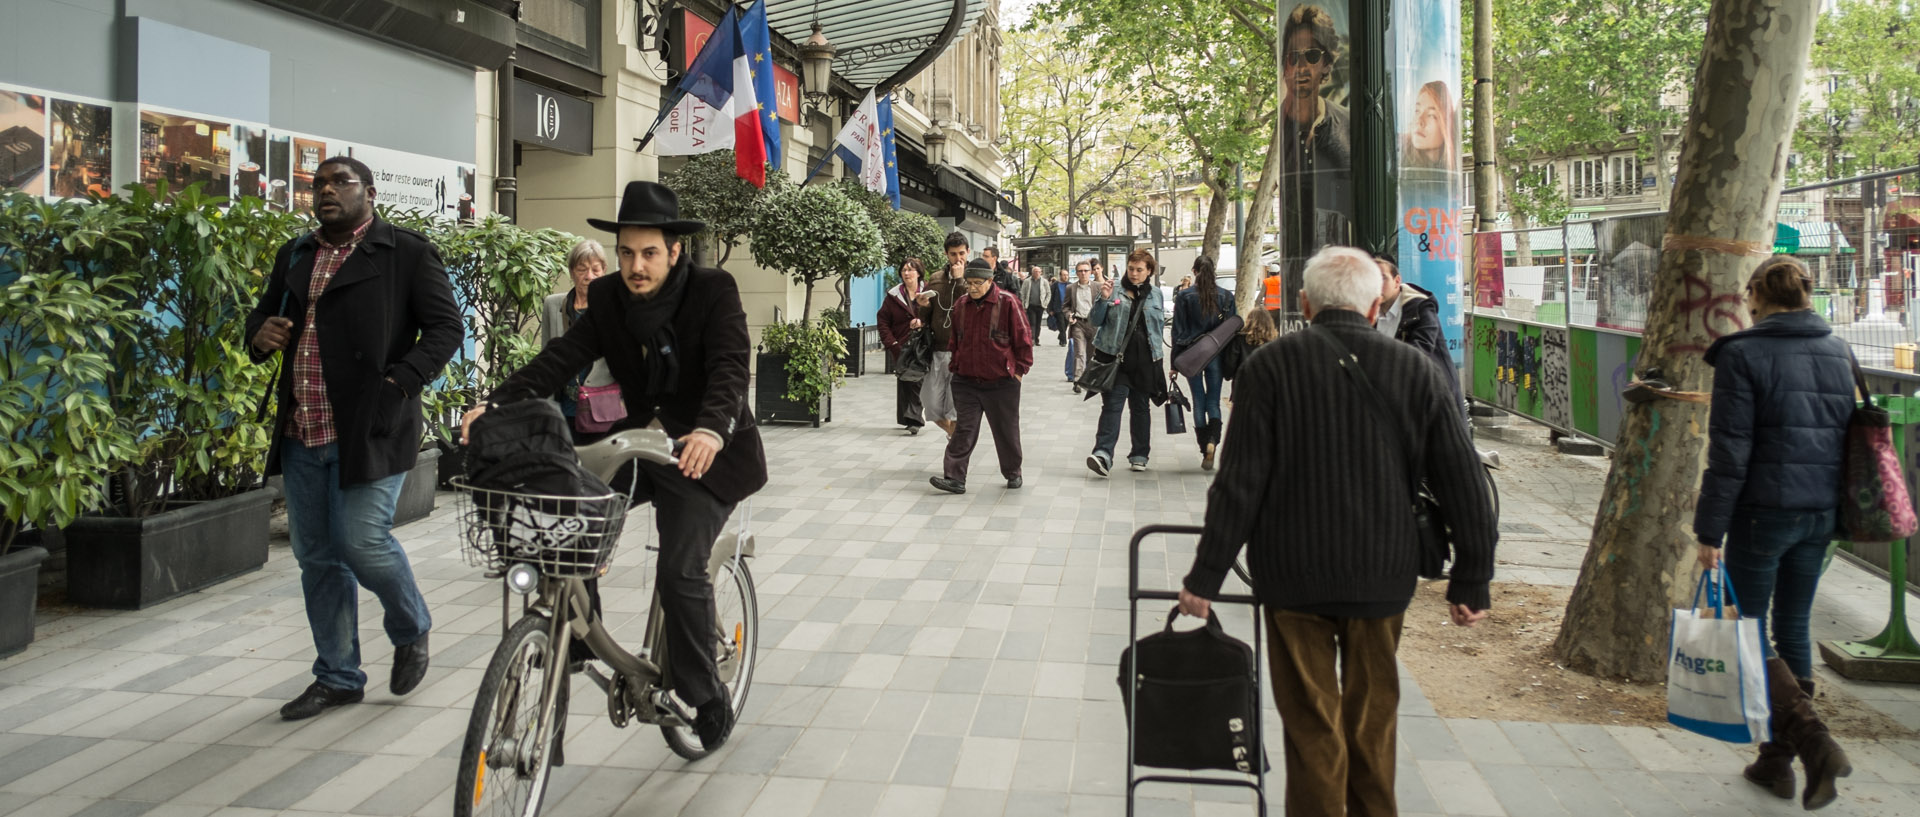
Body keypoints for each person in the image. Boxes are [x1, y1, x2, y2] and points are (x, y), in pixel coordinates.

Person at [1178, 245, 1496, 817]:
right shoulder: (1416, 371)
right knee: (1373, 727)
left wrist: (1205, 577)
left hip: (1292, 579)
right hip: (1383, 576)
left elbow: (1238, 484)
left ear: (1303, 303)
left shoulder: (1269, 369)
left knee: (1312, 730)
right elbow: (1464, 482)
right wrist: (1471, 579)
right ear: (1377, 306)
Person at [459, 181, 768, 752]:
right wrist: (497, 404)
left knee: (679, 571)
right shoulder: (606, 299)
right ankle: (578, 631)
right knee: (566, 518)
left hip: (704, 456)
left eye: (648, 253)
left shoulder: (712, 290)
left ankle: (706, 695)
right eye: (626, 253)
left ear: (674, 250)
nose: (635, 266)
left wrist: (710, 429)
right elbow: (559, 359)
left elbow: (730, 366)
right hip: (635, 446)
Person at [244, 156, 464, 721]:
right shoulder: (295, 254)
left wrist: (398, 382)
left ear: (369, 191)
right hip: (303, 428)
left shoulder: (405, 252)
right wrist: (258, 333)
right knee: (317, 557)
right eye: (317, 183)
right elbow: (265, 319)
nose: (326, 191)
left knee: (362, 542)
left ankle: (411, 625)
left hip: (371, 426)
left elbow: (445, 329)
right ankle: (338, 676)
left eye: (340, 182)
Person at [1693, 256, 1853, 810]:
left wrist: (1709, 530)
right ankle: (1775, 763)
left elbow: (1730, 452)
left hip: (1762, 513)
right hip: (1822, 513)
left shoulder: (1741, 352)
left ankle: (1814, 744)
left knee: (1747, 635)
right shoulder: (1838, 349)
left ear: (1756, 294)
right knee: (1793, 628)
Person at [929, 258, 1033, 494]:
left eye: (978, 282)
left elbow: (1024, 340)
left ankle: (1013, 472)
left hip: (1002, 383)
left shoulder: (1007, 302)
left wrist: (1018, 372)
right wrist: (955, 366)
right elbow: (955, 340)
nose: (972, 287)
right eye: (969, 282)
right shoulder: (961, 305)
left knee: (1005, 430)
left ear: (990, 281)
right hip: (966, 382)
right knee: (964, 430)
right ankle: (955, 478)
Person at [1279, 4, 1354, 267]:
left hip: (1343, 269)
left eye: (1311, 56)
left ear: (1326, 64)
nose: (1300, 67)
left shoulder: (1347, 124)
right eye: (1292, 57)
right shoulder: (1282, 127)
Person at [1085, 250, 1168, 476]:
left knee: (1141, 408)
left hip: (1145, 363)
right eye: (1131, 268)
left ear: (1149, 271)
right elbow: (1095, 320)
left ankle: (1140, 454)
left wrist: (1160, 362)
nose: (1133, 273)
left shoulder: (1156, 295)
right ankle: (1103, 454)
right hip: (1115, 361)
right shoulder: (1113, 290)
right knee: (1112, 407)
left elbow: (1158, 330)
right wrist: (1103, 299)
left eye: (1139, 269)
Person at [543, 239, 616, 444]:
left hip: (602, 408)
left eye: (595, 269)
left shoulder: (614, 309)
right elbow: (547, 357)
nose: (589, 276)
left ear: (604, 271)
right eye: (582, 269)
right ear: (572, 271)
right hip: (564, 406)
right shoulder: (553, 305)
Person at [1375, 256, 1463, 418]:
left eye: (1382, 278)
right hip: (1398, 399)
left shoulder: (1420, 307)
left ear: (1397, 281)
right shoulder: (1371, 313)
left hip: (1433, 396)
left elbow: (1422, 349)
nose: (1376, 285)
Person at [1172, 255, 1238, 471]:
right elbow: (1231, 330)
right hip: (1216, 355)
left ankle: (1203, 447)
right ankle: (1213, 442)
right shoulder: (1226, 296)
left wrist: (1175, 362)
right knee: (1213, 401)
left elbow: (1178, 331)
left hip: (1193, 355)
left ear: (1194, 271)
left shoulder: (1184, 296)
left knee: (1198, 401)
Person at [916, 233, 971, 438]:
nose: (958, 259)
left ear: (968, 252)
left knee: (955, 408)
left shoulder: (974, 277)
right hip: (937, 349)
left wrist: (959, 280)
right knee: (930, 405)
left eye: (962, 253)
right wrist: (923, 307)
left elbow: (969, 305)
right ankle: (956, 438)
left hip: (962, 352)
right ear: (946, 254)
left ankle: (955, 455)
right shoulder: (937, 278)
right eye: (953, 254)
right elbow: (927, 316)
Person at [878, 258, 929, 435]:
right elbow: (883, 320)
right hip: (900, 345)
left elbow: (937, 315)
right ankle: (907, 418)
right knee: (904, 380)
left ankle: (915, 419)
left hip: (922, 345)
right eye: (904, 270)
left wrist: (922, 322)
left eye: (911, 270)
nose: (907, 273)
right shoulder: (893, 296)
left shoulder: (929, 293)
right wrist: (891, 343)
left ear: (919, 273)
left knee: (915, 380)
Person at [1400, 80, 1459, 174]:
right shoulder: (1399, 159)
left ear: (1446, 126)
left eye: (1431, 115)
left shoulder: (1450, 167)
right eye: (1417, 111)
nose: (1419, 121)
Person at [1066, 262, 1097, 389]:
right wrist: (1068, 315)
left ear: (1090, 272)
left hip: (1094, 324)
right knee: (1080, 352)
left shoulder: (1097, 287)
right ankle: (1077, 380)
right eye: (1080, 271)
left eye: (1085, 270)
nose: (1083, 273)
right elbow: (1066, 306)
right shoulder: (1071, 288)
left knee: (1091, 354)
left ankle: (1088, 379)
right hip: (1078, 323)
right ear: (1076, 273)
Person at [1020, 265, 1051, 346]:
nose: (1037, 273)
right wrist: (1023, 305)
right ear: (1032, 273)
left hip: (1040, 306)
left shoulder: (1044, 282)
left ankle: (1036, 338)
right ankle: (1032, 338)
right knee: (1032, 323)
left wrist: (1045, 303)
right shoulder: (1027, 281)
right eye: (1035, 272)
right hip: (1030, 306)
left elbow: (1048, 293)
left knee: (1038, 323)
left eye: (1038, 272)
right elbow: (1022, 293)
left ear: (1041, 273)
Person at [1050, 269, 1072, 347]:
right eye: (1064, 275)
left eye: (1067, 275)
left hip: (1067, 308)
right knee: (1061, 325)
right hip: (1058, 308)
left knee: (1065, 325)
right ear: (1060, 276)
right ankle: (1063, 341)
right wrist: (1051, 309)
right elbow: (1051, 297)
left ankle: (1060, 336)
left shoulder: (1070, 285)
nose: (1066, 276)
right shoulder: (1055, 285)